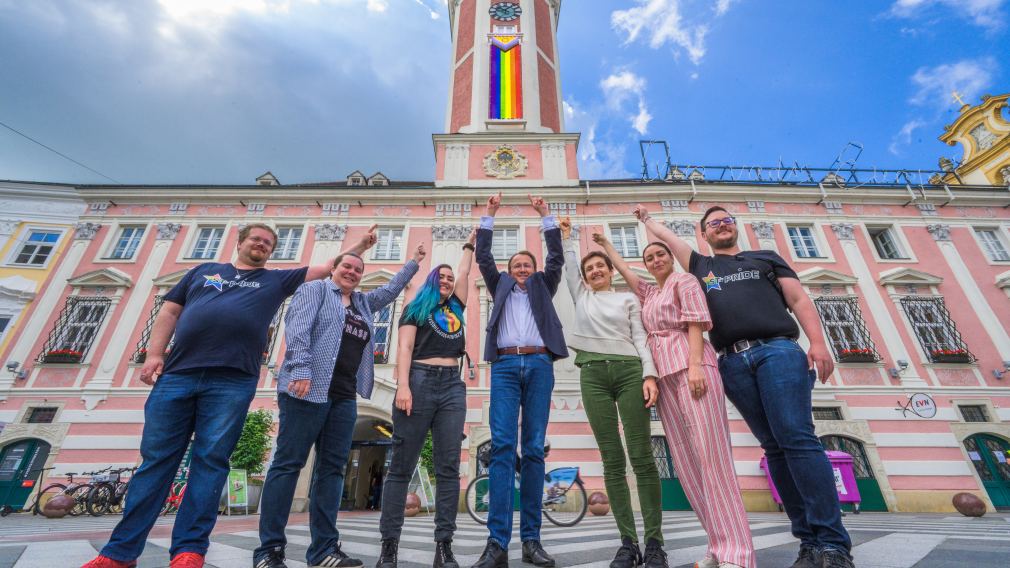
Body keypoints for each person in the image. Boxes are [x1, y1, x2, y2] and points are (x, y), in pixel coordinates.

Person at [83, 223, 377, 568]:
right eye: (257, 239)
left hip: (233, 379)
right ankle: (120, 552)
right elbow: (169, 311)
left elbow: (332, 267)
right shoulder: (203, 271)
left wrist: (360, 245)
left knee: (210, 463)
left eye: (269, 243)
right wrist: (154, 354)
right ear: (240, 242)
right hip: (178, 373)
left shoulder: (275, 280)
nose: (262, 245)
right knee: (156, 463)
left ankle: (189, 551)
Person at [633, 204, 852, 568]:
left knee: (796, 438)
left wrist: (816, 342)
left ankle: (832, 544)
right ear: (703, 234)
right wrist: (645, 220)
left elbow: (797, 299)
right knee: (774, 448)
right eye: (713, 223)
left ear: (735, 228)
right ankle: (808, 542)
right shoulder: (702, 266)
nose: (721, 226)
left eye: (726, 221)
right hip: (731, 361)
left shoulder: (766, 258)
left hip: (777, 349)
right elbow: (668, 239)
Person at [253, 243, 425, 568]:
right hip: (307, 387)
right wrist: (301, 369)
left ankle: (323, 550)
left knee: (332, 470)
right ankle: (269, 550)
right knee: (289, 464)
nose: (352, 272)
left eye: (358, 270)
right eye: (347, 266)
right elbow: (298, 330)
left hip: (344, 395)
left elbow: (389, 291)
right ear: (334, 268)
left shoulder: (361, 302)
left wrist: (413, 263)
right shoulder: (315, 290)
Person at [594, 228, 755, 568]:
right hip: (665, 377)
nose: (655, 260)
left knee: (712, 459)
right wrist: (607, 245)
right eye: (649, 257)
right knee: (687, 464)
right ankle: (717, 544)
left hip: (692, 367)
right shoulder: (651, 293)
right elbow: (625, 272)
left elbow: (696, 322)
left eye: (660, 255)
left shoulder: (685, 282)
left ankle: (737, 555)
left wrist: (696, 365)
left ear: (670, 257)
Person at [557, 218, 667, 568]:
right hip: (592, 374)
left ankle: (654, 543)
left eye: (599, 266)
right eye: (589, 269)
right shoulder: (582, 296)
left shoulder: (627, 300)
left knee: (642, 456)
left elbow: (640, 339)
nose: (594, 271)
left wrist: (649, 375)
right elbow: (569, 266)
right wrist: (566, 238)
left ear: (609, 270)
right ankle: (628, 543)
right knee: (612, 459)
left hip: (629, 371)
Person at [470, 194, 567, 568]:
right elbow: (483, 257)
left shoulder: (545, 284)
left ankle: (532, 541)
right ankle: (496, 544)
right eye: (517, 266)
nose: (523, 269)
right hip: (506, 367)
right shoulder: (500, 287)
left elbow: (556, 257)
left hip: (540, 364)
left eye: (527, 265)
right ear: (508, 272)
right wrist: (490, 214)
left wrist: (547, 215)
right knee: (502, 447)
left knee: (533, 449)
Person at [376, 230, 476, 568]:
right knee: (401, 467)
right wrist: (402, 386)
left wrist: (470, 244)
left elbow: (465, 272)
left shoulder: (456, 307)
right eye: (442, 277)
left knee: (448, 468)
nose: (448, 281)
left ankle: (443, 546)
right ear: (433, 280)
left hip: (452, 385)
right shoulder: (416, 306)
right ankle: (389, 546)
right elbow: (403, 347)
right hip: (418, 380)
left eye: (449, 278)